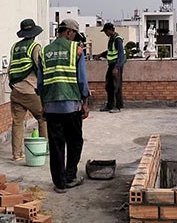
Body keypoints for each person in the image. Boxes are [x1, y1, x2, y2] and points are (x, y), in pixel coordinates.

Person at [38, 18, 90, 193]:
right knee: (75, 142)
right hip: (72, 106)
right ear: (69, 32)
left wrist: (44, 105)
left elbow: (40, 84)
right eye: (74, 34)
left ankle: (59, 183)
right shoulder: (77, 50)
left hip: (51, 107)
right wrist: (85, 102)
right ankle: (70, 177)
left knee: (56, 145)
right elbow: (82, 80)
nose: (75, 38)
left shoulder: (44, 52)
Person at [7, 19, 48, 161]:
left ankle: (16, 154)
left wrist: (14, 86)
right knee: (43, 118)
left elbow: (10, 69)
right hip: (31, 91)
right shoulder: (35, 47)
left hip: (16, 91)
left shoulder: (14, 47)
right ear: (34, 33)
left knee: (17, 123)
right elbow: (41, 67)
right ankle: (44, 149)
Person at [96, 22, 125, 112]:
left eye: (106, 31)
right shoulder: (111, 39)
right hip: (111, 64)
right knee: (109, 86)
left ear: (111, 30)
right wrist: (101, 54)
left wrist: (117, 67)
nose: (105, 33)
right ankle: (110, 105)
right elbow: (110, 51)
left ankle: (118, 106)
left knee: (117, 85)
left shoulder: (117, 39)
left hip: (116, 65)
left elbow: (121, 55)